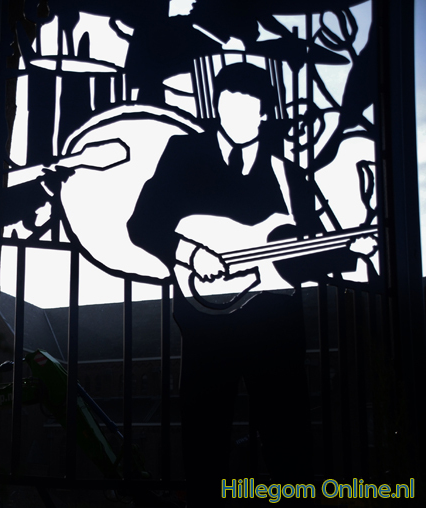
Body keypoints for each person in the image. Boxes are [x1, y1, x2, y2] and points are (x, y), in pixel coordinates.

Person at [127, 62, 373, 506]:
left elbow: (303, 256)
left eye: (246, 109)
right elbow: (142, 223)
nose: (234, 117)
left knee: (289, 447)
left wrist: (350, 253)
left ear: (264, 113)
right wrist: (191, 254)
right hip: (206, 329)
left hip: (275, 330)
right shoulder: (183, 153)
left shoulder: (289, 175)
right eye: (226, 107)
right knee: (204, 449)